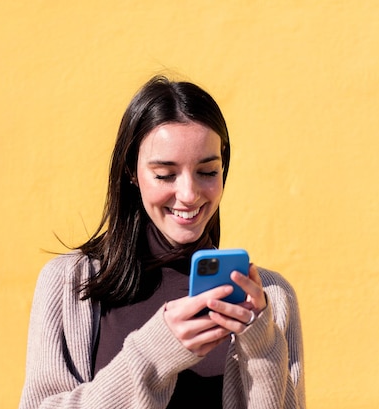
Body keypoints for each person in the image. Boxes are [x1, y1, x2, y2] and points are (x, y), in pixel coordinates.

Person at [18, 76, 305, 409]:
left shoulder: (272, 298)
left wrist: (260, 344)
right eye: (166, 174)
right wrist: (155, 351)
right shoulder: (71, 283)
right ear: (131, 172)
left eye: (208, 172)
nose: (188, 194)